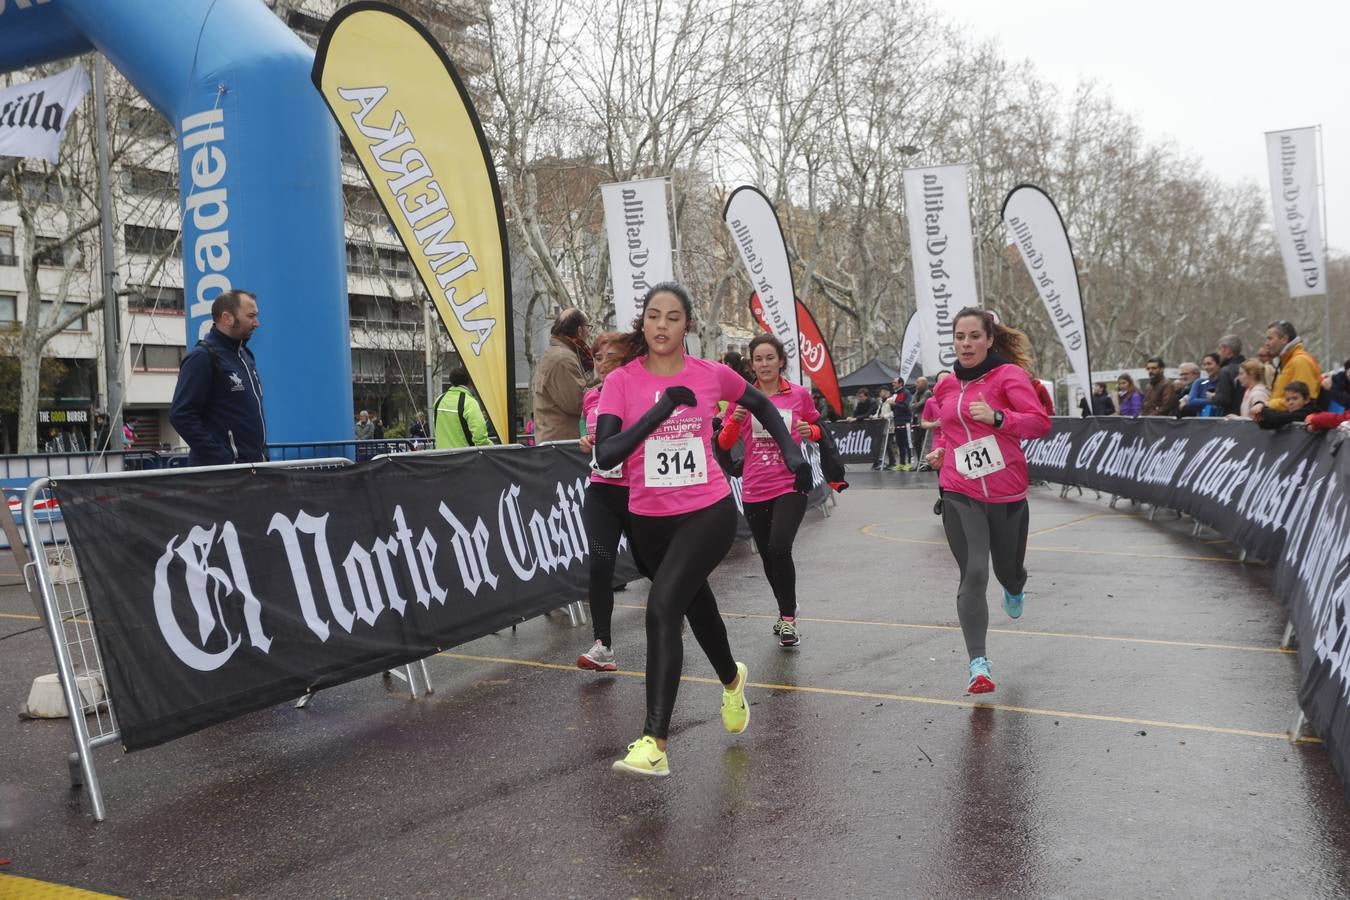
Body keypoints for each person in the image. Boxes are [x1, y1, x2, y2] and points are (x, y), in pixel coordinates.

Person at [594, 283, 810, 777]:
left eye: (673, 317)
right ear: (643, 323)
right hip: (647, 519)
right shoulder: (621, 383)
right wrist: (660, 410)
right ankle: (733, 680)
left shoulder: (711, 374)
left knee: (663, 606)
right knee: (695, 605)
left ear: (687, 324)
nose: (662, 325)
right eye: (654, 316)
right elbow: (606, 455)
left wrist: (792, 451)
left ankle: (654, 742)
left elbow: (762, 405)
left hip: (707, 511)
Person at [924, 308, 1051, 695]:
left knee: (1006, 571)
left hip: (1007, 492)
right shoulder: (945, 386)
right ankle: (978, 664)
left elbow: (1039, 423)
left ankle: (1015, 585)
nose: (966, 343)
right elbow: (947, 430)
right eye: (960, 337)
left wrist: (998, 419)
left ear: (990, 339)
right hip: (959, 489)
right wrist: (941, 451)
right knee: (975, 571)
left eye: (974, 336)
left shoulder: (1008, 377)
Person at [717, 333, 821, 648]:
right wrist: (733, 421)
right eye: (758, 359)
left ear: (780, 361)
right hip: (754, 486)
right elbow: (723, 443)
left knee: (779, 547)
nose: (764, 364)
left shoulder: (799, 395)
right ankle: (784, 608)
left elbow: (819, 429)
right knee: (767, 556)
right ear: (752, 363)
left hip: (790, 483)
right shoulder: (741, 397)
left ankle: (788, 619)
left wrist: (810, 430)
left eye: (769, 358)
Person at [575, 332, 644, 672]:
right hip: (601, 490)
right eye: (598, 357)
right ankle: (603, 646)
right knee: (600, 564)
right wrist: (589, 441)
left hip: (637, 491)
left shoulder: (639, 390)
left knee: (649, 565)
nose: (601, 363)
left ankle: (674, 612)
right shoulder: (591, 396)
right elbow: (595, 435)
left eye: (609, 356)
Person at [169, 289, 268, 466]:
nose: (256, 323)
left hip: (251, 470)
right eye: (251, 316)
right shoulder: (203, 357)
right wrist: (224, 459)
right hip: (221, 478)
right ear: (227, 318)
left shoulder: (246, 355)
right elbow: (181, 415)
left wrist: (262, 455)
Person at [532, 307, 591, 443]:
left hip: (556, 441)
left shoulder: (559, 352)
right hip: (561, 445)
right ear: (580, 330)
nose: (589, 332)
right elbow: (576, 403)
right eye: (588, 327)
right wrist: (606, 386)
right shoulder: (563, 358)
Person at [1260, 320, 1321, 412]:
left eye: (1270, 339)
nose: (1266, 344)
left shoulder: (1300, 361)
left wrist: (1267, 405)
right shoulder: (1288, 361)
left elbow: (1301, 402)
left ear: (1284, 339)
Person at [433, 367, 492, 449]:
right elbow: (480, 436)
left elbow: (436, 428)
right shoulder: (469, 402)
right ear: (470, 381)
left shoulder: (439, 400)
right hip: (464, 457)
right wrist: (493, 448)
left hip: (441, 457)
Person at [920, 371, 950, 512]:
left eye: (947, 379)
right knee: (943, 477)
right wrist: (934, 424)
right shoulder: (931, 401)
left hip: (957, 442)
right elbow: (923, 423)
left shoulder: (960, 398)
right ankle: (943, 500)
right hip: (939, 443)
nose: (944, 383)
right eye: (941, 381)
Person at [1211, 335, 1246, 417]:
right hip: (1247, 417)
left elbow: (1224, 399)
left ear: (1227, 350)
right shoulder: (1249, 367)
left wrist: (1213, 397)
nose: (1218, 353)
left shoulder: (1226, 371)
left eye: (1219, 349)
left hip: (1231, 419)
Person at [908, 375, 931, 466]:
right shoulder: (916, 393)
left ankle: (927, 462)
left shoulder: (927, 392)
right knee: (917, 442)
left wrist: (915, 405)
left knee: (926, 442)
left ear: (924, 383)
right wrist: (915, 405)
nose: (915, 384)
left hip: (925, 420)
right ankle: (920, 462)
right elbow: (910, 405)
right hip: (916, 421)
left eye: (918, 382)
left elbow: (920, 405)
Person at [873, 386, 896, 470]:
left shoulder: (891, 401)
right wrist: (874, 416)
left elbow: (893, 413)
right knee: (885, 445)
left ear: (886, 392)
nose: (880, 394)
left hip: (889, 426)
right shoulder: (881, 402)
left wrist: (885, 416)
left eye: (882, 392)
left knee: (889, 445)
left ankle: (892, 462)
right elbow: (878, 412)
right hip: (882, 427)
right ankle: (887, 462)